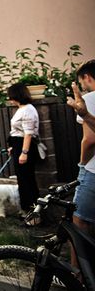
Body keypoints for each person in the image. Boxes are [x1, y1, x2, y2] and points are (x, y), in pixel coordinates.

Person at [6, 83, 41, 220]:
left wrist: (24, 152)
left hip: (24, 147)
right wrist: (13, 148)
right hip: (18, 146)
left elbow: (28, 134)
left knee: (27, 181)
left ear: (17, 95)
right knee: (22, 180)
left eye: (11, 96)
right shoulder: (22, 109)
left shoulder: (28, 110)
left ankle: (34, 215)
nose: (10, 99)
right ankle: (26, 211)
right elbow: (18, 132)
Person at [71, 60, 95, 236]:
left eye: (81, 82)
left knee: (79, 220)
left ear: (87, 77)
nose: (82, 86)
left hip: (93, 169)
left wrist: (82, 164)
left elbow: (90, 139)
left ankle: (78, 264)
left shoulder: (89, 99)